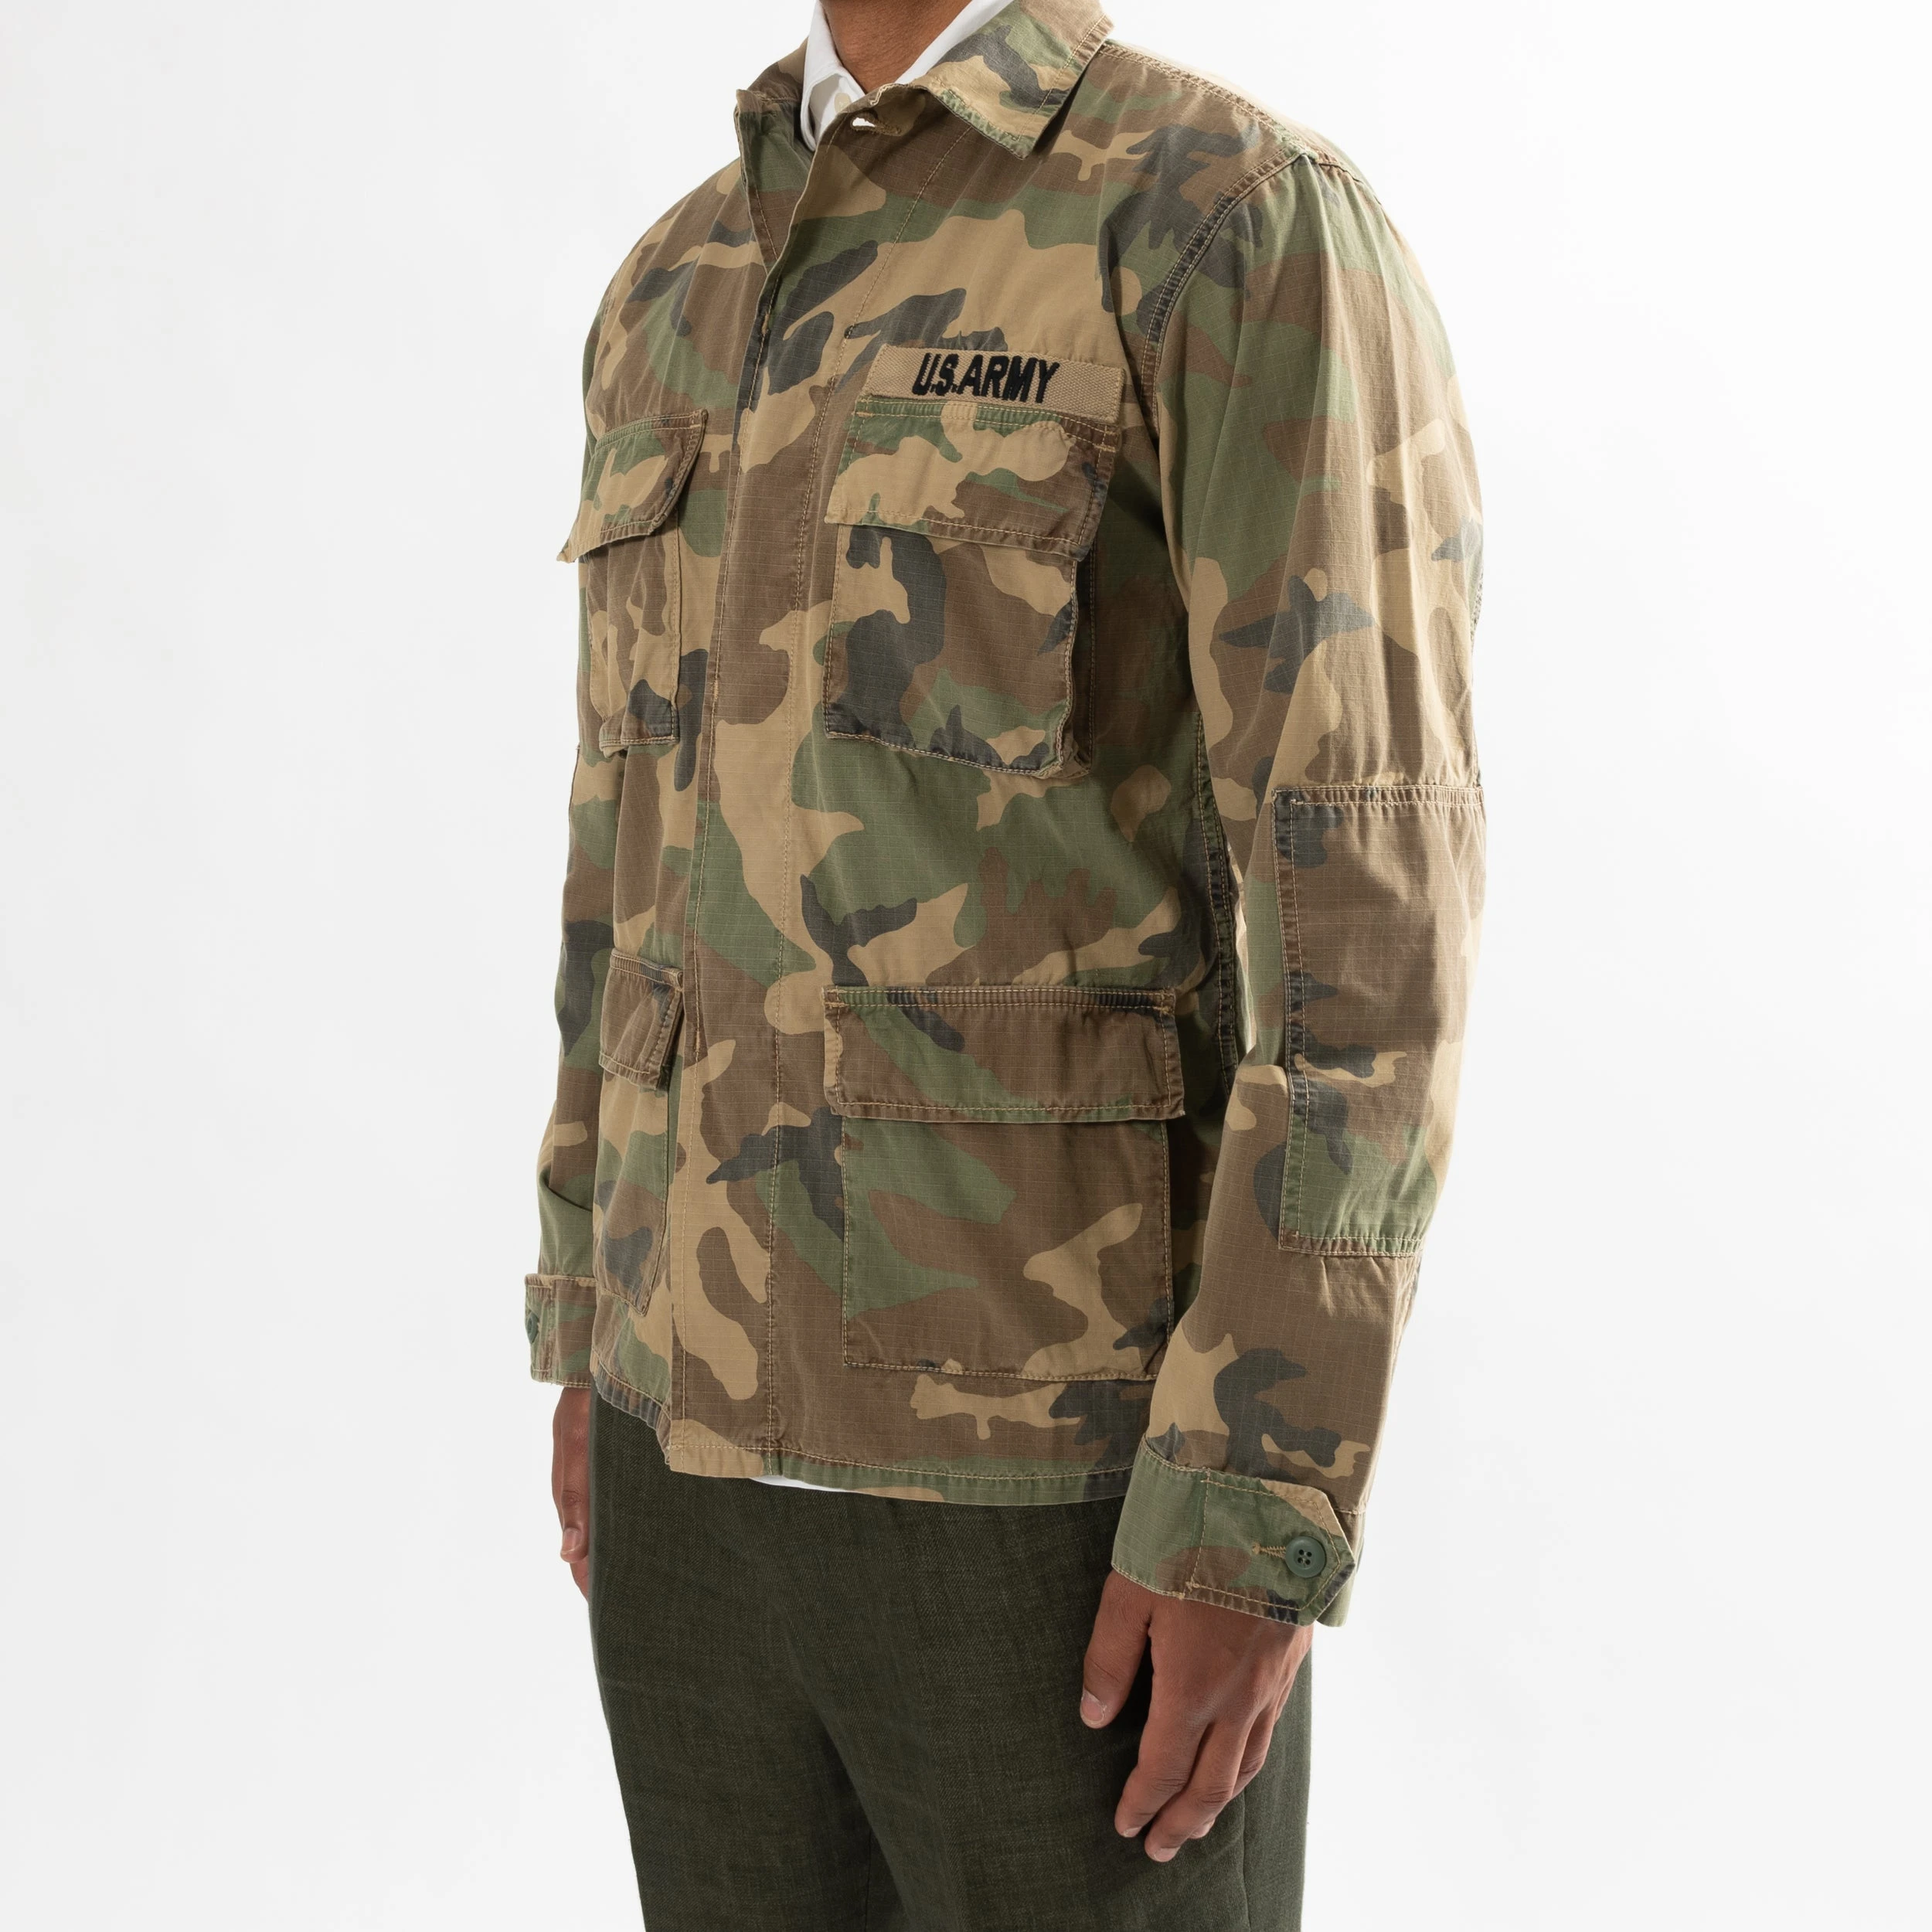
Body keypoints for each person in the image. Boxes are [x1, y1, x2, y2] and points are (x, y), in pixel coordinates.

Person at [527, 1, 1484, 1923]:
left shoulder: (1222, 221)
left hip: (1052, 1486)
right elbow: (616, 870)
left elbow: (1364, 903)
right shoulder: (677, 278)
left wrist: (1258, 1493)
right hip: (676, 1460)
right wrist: (584, 1310)